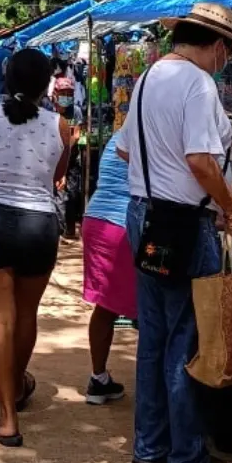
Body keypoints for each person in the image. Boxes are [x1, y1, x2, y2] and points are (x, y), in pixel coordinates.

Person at [115, 2, 232, 463]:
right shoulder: (197, 83)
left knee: (154, 336)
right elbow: (199, 160)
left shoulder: (150, 78)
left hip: (145, 216)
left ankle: (150, 446)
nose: (225, 63)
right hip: (182, 224)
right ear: (218, 46)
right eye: (228, 54)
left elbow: (126, 149)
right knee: (186, 340)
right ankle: (188, 458)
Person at [0, 48, 72, 447]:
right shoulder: (62, 127)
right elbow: (57, 177)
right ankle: (18, 385)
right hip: (39, 225)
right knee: (26, 315)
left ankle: (7, 417)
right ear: (46, 85)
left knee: (0, 319)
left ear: (7, 80)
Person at [80, 133, 133, 405]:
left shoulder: (118, 138)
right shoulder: (150, 135)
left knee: (105, 305)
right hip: (124, 226)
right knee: (152, 308)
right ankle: (155, 387)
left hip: (96, 220)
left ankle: (98, 378)